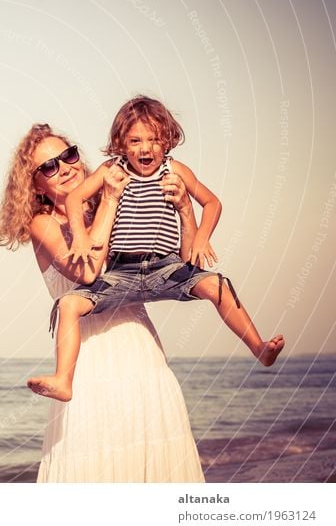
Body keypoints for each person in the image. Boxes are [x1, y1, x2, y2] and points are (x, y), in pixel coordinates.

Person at [26, 97, 284, 402]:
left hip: (167, 267)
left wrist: (201, 234)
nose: (144, 149)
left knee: (218, 284)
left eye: (153, 140)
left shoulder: (176, 170)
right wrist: (80, 237)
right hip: (123, 273)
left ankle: (259, 349)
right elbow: (73, 200)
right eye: (134, 141)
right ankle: (63, 380)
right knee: (68, 305)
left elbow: (212, 202)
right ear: (120, 143)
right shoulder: (111, 171)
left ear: (168, 140)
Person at [0, 123, 204, 482]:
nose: (64, 168)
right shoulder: (42, 224)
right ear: (35, 184)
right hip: (87, 359)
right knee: (93, 458)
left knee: (152, 454)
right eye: (48, 166)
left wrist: (185, 209)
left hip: (138, 345)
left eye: (69, 155)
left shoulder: (120, 203)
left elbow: (185, 262)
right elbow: (89, 270)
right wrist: (109, 199)